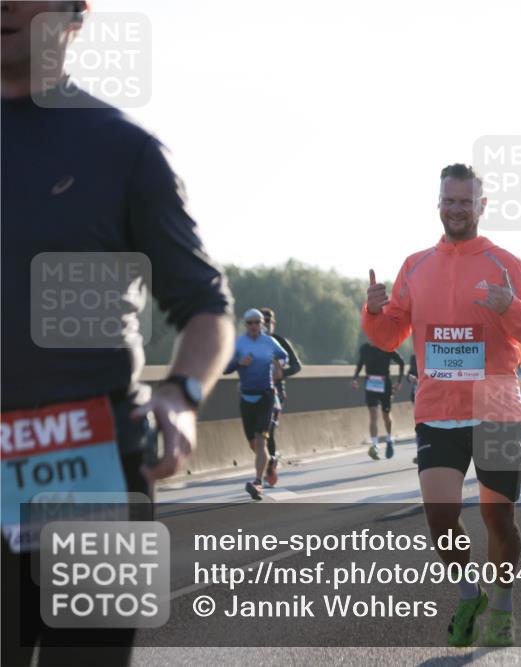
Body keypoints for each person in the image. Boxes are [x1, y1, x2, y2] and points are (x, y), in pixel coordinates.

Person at [1, 4, 234, 664]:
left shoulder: (122, 150)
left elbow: (205, 306)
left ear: (75, 15)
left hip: (89, 464)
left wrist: (183, 394)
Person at [363, 163, 521, 647]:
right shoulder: (415, 265)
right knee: (440, 517)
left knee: (498, 518)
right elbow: (389, 336)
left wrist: (508, 306)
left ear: (481, 206)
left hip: (495, 405)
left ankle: (503, 605)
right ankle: (469, 592)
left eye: (465, 202)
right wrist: (371, 309)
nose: (455, 209)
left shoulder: (504, 264)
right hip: (438, 406)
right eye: (448, 200)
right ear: (439, 204)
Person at [224, 310, 289, 500]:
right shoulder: (238, 344)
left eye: (257, 322)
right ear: (245, 324)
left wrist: (278, 364)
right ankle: (269, 465)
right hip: (246, 398)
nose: (254, 326)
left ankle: (257, 482)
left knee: (261, 441)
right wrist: (239, 363)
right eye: (250, 323)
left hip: (265, 396)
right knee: (253, 444)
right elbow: (225, 368)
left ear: (262, 324)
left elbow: (284, 356)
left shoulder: (269, 342)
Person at [259, 307, 302, 487]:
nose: (266, 324)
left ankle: (269, 468)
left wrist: (280, 373)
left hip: (276, 393)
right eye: (263, 321)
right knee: (258, 435)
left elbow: (297, 366)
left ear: (273, 323)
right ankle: (273, 459)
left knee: (268, 430)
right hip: (256, 392)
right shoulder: (252, 342)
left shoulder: (280, 342)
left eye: (269, 321)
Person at [353, 342, 406, 460]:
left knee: (386, 416)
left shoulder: (387, 346)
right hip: (370, 384)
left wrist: (399, 382)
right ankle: (375, 445)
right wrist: (355, 378)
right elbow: (360, 363)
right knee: (373, 414)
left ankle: (389, 439)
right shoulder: (365, 348)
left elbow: (401, 362)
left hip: (385, 384)